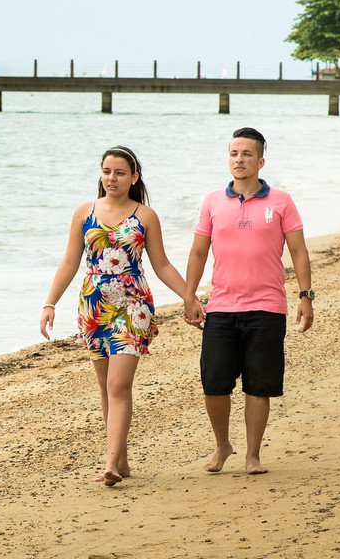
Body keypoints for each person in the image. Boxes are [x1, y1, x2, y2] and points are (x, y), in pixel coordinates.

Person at [40, 146, 205, 486]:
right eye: (106, 172)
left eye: (118, 172)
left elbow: (160, 264)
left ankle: (111, 463)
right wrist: (50, 303)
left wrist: (189, 297)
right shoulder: (84, 212)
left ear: (134, 177)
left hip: (133, 305)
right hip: (94, 306)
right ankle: (122, 459)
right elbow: (70, 261)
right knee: (106, 387)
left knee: (118, 385)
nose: (111, 178)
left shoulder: (145, 216)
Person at [184, 127, 313, 476]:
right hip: (221, 307)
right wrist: (189, 296)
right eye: (233, 153)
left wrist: (305, 295)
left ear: (260, 160)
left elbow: (298, 251)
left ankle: (252, 454)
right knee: (214, 383)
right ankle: (222, 444)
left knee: (259, 385)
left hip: (268, 307)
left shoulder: (281, 201)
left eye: (246, 154)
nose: (239, 160)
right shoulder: (212, 201)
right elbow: (198, 252)